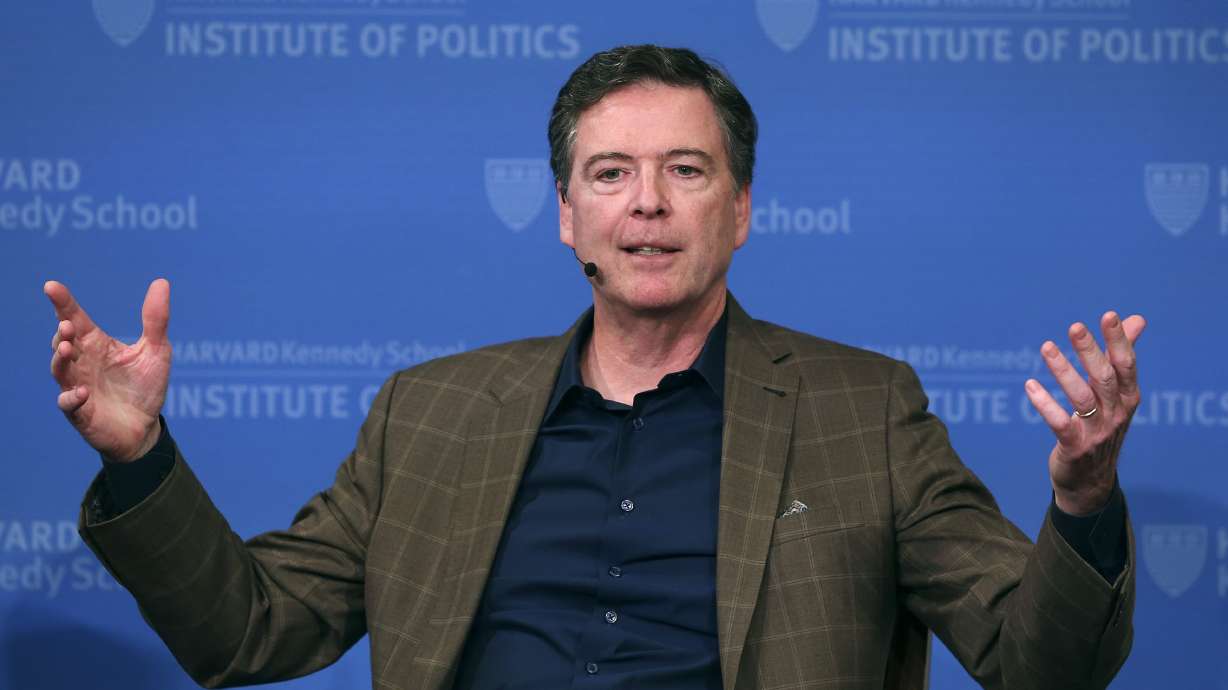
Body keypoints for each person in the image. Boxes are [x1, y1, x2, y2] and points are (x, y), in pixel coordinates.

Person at [45, 45, 1142, 690]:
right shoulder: (431, 413)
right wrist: (141, 459)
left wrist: (1084, 502)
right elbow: (248, 630)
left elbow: (1039, 664)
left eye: (686, 171)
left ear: (741, 210)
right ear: (567, 213)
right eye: (611, 173)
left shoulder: (863, 412)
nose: (647, 204)